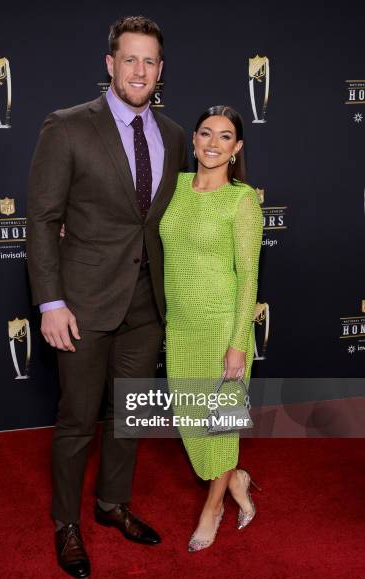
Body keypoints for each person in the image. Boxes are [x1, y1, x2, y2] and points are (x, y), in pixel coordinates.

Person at [26, 15, 187, 579]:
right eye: (130, 59)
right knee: (76, 421)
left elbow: (168, 223)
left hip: (146, 308)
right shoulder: (67, 127)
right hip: (83, 306)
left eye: (150, 61)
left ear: (160, 71)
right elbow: (43, 220)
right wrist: (51, 303)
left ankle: (112, 503)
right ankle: (66, 521)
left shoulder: (173, 135)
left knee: (128, 417)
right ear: (110, 64)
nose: (139, 70)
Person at [159, 105, 263, 551]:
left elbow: (249, 279)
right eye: (206, 133)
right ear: (194, 140)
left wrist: (238, 344)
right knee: (191, 420)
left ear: (237, 148)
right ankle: (236, 477)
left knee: (220, 427)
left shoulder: (242, 201)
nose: (213, 144)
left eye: (225, 137)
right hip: (181, 326)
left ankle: (213, 507)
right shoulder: (176, 187)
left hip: (224, 327)